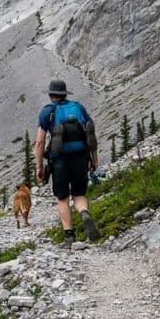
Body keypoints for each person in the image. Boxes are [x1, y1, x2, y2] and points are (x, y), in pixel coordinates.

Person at [34, 80, 101, 248]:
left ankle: (69, 236)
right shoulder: (79, 108)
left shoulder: (47, 112)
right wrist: (94, 158)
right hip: (81, 156)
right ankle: (84, 213)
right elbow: (90, 134)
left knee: (62, 198)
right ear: (65, 94)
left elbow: (40, 142)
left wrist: (39, 167)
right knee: (79, 195)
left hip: (59, 160)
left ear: (51, 95)